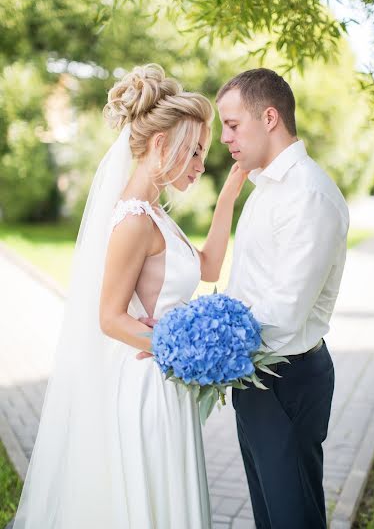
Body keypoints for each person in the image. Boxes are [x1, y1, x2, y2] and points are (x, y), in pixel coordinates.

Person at [13, 63, 247, 529]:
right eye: (194, 151)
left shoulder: (155, 212)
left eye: (203, 152)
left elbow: (209, 268)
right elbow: (109, 317)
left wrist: (229, 196)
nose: (201, 164)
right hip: (148, 385)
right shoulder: (133, 219)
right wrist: (180, 349)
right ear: (161, 144)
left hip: (167, 380)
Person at [216, 68, 349, 529]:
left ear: (269, 117)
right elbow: (247, 288)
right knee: (269, 517)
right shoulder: (265, 189)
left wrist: (211, 355)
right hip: (255, 378)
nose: (224, 138)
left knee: (294, 518)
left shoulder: (307, 195)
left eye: (232, 125)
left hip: (286, 380)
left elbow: (285, 314)